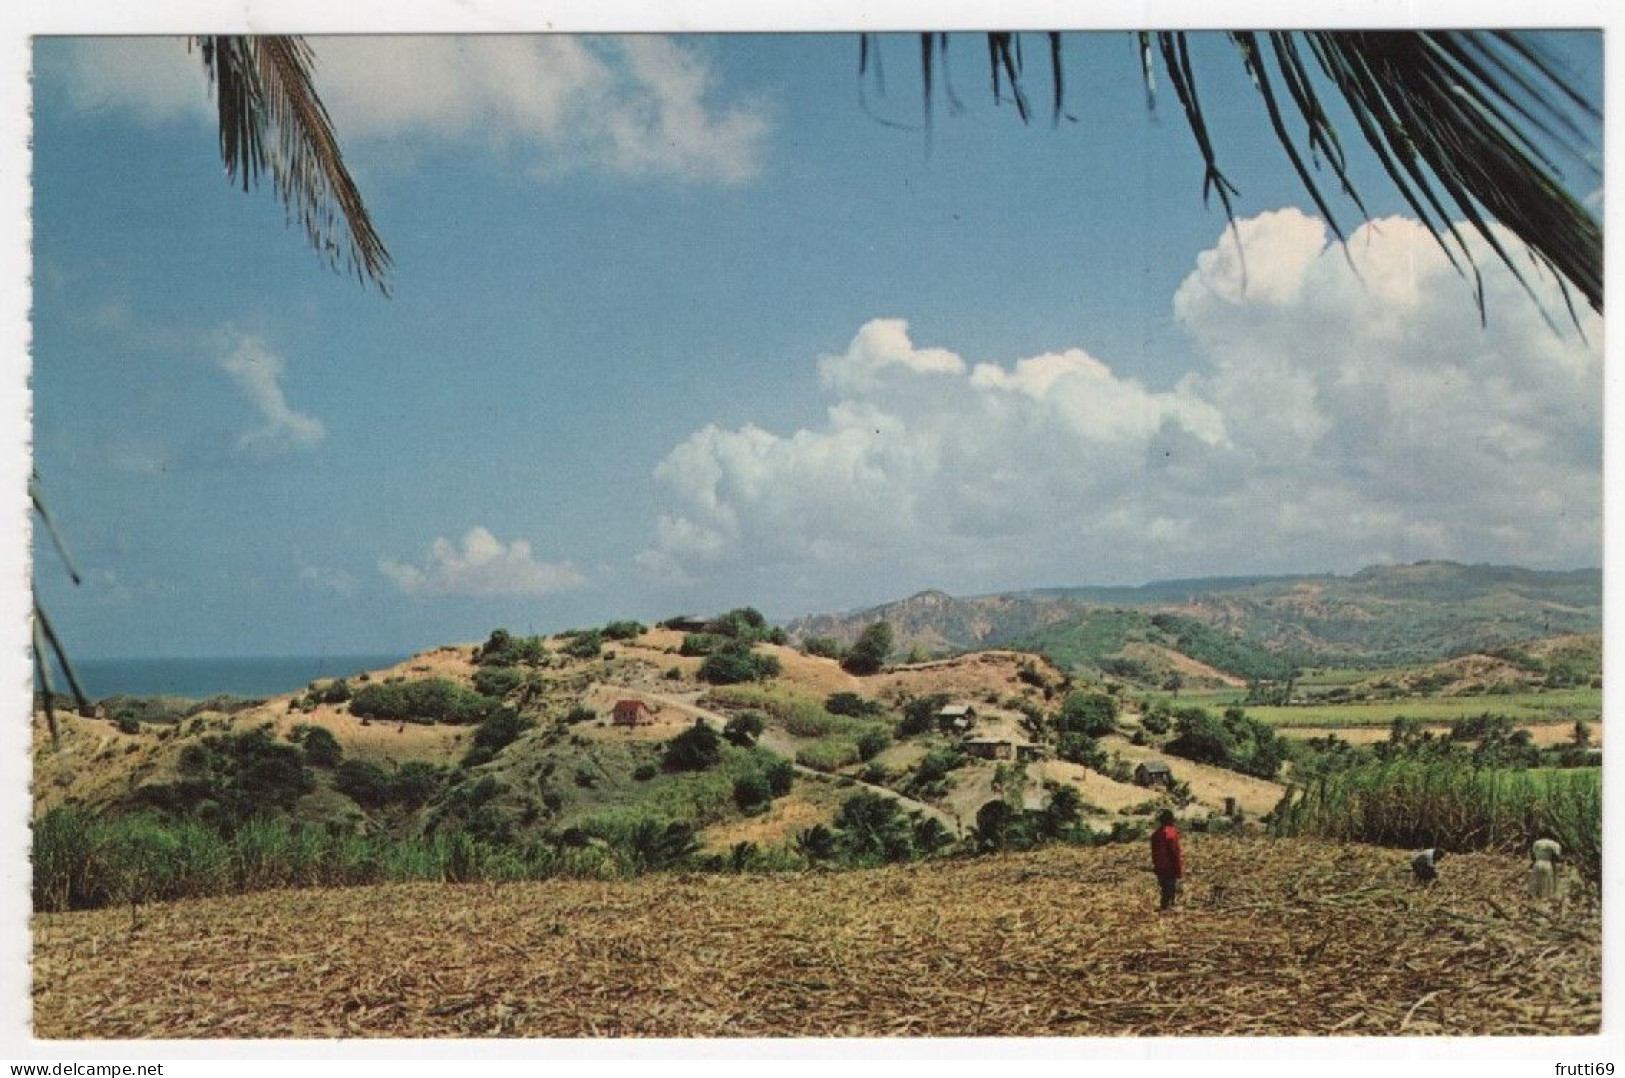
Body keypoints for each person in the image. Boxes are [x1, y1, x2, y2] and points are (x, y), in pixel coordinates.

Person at [1150, 809, 1184, 910]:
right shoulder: (1171, 833)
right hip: (1170, 866)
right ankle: (1168, 908)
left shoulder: (1155, 834)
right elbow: (1175, 852)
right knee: (1170, 889)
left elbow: (1154, 852)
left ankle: (1165, 907)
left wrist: (1156, 866)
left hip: (1160, 866)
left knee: (1164, 888)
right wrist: (1178, 869)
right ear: (1170, 820)